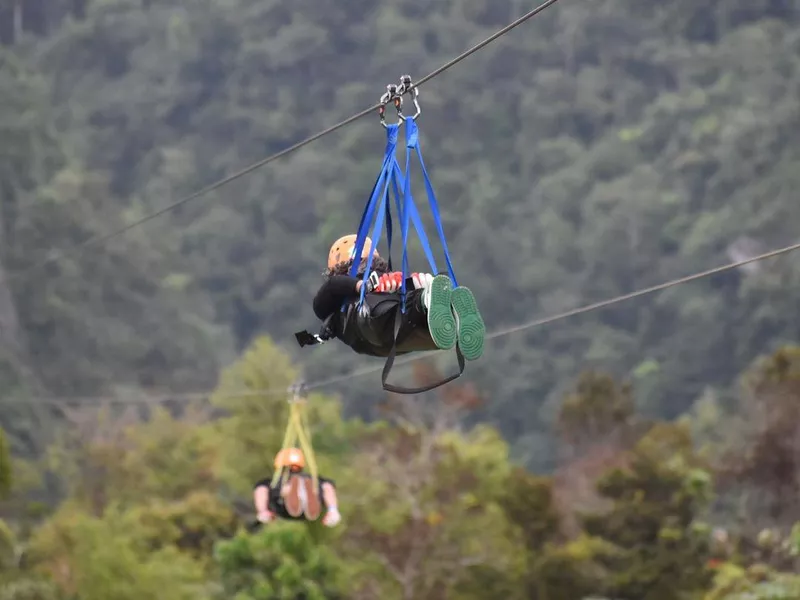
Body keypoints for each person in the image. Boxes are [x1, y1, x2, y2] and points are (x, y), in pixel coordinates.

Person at [313, 234, 485, 361]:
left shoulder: (339, 304)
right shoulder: (343, 296)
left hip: (387, 335)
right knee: (410, 306)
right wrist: (361, 286)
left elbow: (327, 292)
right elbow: (333, 286)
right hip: (389, 325)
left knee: (410, 316)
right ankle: (434, 302)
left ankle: (436, 306)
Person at [253, 447, 341, 527]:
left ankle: (297, 494)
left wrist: (263, 512)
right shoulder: (311, 479)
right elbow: (328, 487)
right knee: (325, 485)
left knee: (265, 487)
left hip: (285, 509)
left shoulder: (271, 483)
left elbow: (260, 490)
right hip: (298, 509)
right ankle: (331, 509)